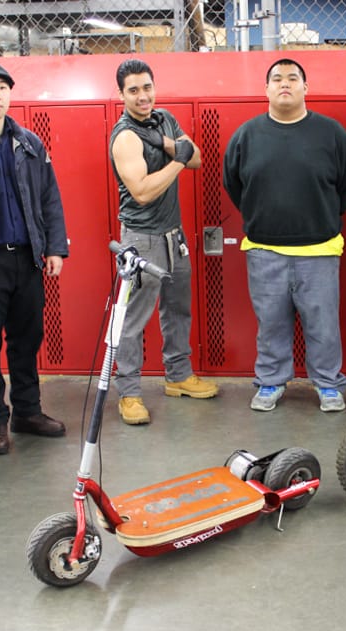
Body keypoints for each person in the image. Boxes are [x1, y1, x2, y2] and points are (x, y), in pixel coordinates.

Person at [223, 59, 346, 412]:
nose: (285, 84)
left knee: (323, 326)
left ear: (305, 87)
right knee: (270, 324)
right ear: (266, 89)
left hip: (320, 249)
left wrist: (319, 219)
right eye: (277, 79)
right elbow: (234, 185)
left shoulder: (331, 134)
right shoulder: (247, 135)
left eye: (293, 78)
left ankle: (328, 385)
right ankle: (270, 382)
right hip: (264, 249)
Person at [0, 61, 69, 455]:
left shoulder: (30, 144)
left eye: (2, 87)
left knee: (27, 338)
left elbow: (49, 198)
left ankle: (27, 411)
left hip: (26, 258)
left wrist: (55, 247)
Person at [109, 59, 217, 425]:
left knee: (177, 308)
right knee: (133, 321)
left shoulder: (164, 119)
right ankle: (130, 394)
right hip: (142, 239)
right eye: (134, 90)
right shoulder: (125, 135)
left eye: (147, 87)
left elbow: (197, 160)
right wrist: (176, 160)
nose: (143, 96)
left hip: (174, 235)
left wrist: (166, 142)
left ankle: (178, 376)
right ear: (122, 94)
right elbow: (142, 191)